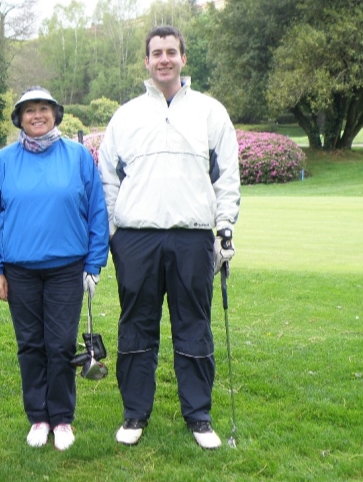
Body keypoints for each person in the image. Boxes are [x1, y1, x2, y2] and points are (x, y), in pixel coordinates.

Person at [97, 25, 240, 450]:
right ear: (146, 61)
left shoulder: (210, 112)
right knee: (136, 327)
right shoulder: (126, 115)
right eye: (156, 52)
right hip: (136, 239)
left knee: (194, 326)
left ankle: (198, 416)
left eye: (171, 52)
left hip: (193, 238)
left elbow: (227, 176)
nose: (164, 59)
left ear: (183, 58)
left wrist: (225, 226)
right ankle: (134, 413)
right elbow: (108, 178)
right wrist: (114, 233)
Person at [0, 87, 109, 451]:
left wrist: (95, 263)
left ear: (55, 114)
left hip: (67, 268)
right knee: (31, 345)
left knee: (61, 343)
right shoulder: (3, 161)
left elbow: (97, 211)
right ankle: (38, 417)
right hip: (19, 270)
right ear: (19, 118)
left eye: (44, 109)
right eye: (30, 110)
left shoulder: (79, 156)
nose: (38, 115)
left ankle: (62, 418)